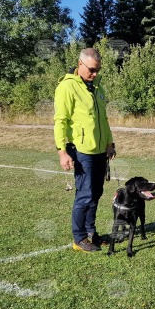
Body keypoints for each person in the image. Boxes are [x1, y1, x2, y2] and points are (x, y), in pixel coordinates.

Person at [54, 48, 116, 252]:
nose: (95, 74)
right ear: (80, 64)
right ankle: (79, 238)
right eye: (91, 70)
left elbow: (103, 119)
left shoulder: (98, 87)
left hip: (100, 151)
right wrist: (62, 151)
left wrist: (109, 143)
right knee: (85, 194)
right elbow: (60, 120)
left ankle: (91, 233)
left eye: (98, 70)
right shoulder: (67, 87)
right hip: (81, 151)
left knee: (96, 193)